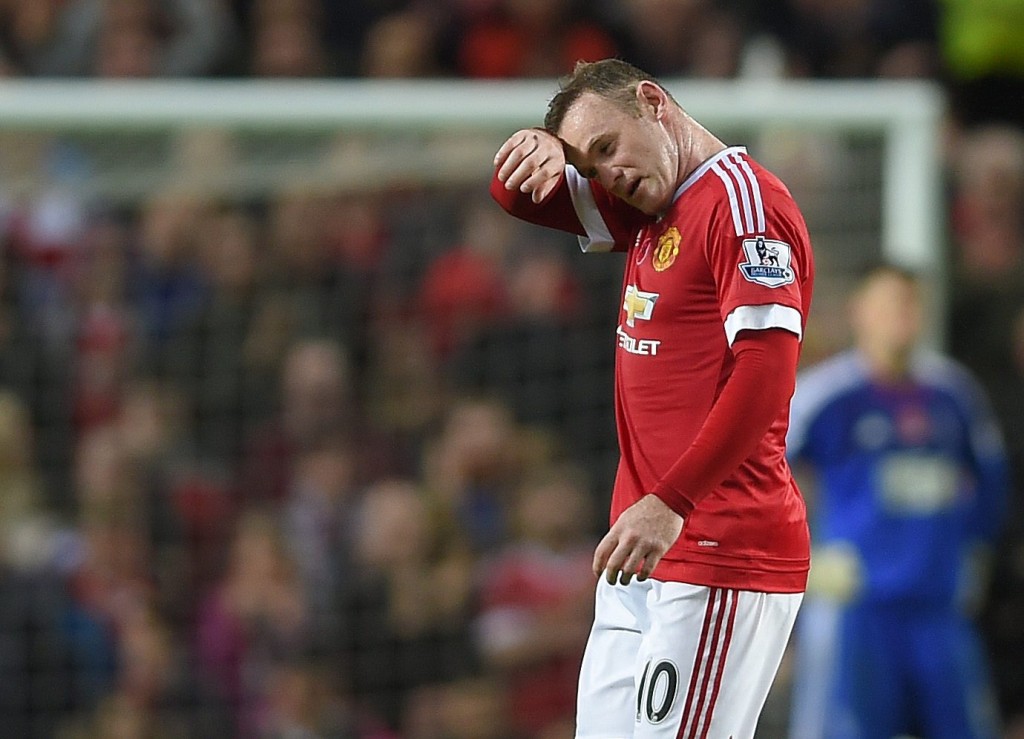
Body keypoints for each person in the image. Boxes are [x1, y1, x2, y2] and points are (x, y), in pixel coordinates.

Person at [491, 58, 815, 738]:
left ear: (652, 101)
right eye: (591, 165)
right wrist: (543, 148)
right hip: (640, 553)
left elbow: (766, 368)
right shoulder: (648, 207)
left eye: (607, 146)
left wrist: (674, 501)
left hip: (718, 546)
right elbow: (517, 197)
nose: (608, 175)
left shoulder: (741, 202)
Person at [786, 263, 1009, 739]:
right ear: (859, 312)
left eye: (910, 305)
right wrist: (801, 559)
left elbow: (991, 477)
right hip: (856, 609)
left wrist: (975, 551)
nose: (901, 317)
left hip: (938, 608)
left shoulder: (953, 395)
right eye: (888, 304)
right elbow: (761, 470)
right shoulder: (825, 396)